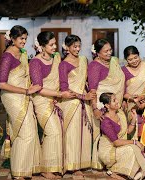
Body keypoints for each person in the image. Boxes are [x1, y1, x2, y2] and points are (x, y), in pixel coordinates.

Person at [0, 25, 41, 179]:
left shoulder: (22, 54)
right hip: (12, 97)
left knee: (28, 131)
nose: (24, 41)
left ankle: (26, 168)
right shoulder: (7, 56)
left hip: (24, 95)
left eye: (25, 38)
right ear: (13, 39)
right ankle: (18, 173)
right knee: (26, 132)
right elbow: (1, 83)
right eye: (21, 38)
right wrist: (26, 91)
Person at [30, 31, 74, 179]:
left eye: (55, 43)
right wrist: (60, 94)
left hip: (54, 100)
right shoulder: (35, 62)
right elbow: (38, 88)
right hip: (41, 101)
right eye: (51, 45)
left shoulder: (56, 58)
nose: (55, 47)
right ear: (42, 46)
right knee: (53, 132)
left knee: (58, 132)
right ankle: (45, 169)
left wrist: (59, 94)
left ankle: (54, 166)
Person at [59, 35, 96, 175]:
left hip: (85, 103)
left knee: (85, 133)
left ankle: (82, 163)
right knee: (72, 134)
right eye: (74, 46)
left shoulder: (83, 60)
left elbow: (87, 81)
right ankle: (72, 165)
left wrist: (89, 96)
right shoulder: (63, 64)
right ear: (67, 48)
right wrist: (82, 96)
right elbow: (64, 88)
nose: (77, 49)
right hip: (71, 102)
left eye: (79, 46)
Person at [88, 39, 125, 170]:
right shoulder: (94, 66)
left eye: (110, 50)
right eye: (106, 51)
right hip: (101, 104)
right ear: (98, 53)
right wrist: (95, 109)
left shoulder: (114, 62)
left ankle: (118, 161)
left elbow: (120, 84)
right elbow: (92, 90)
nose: (110, 53)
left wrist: (123, 99)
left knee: (117, 131)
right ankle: (100, 163)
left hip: (115, 104)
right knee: (101, 135)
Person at [98, 93, 145, 180]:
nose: (117, 101)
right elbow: (116, 142)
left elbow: (127, 131)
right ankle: (116, 171)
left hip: (119, 146)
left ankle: (136, 172)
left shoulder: (120, 113)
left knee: (134, 148)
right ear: (107, 105)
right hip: (109, 150)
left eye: (116, 99)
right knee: (131, 149)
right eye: (114, 100)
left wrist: (134, 120)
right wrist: (134, 142)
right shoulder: (106, 121)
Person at [122, 45, 145, 139]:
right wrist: (132, 98)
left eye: (135, 57)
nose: (134, 61)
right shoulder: (123, 71)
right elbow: (121, 91)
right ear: (126, 60)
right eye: (130, 59)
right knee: (134, 128)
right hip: (131, 105)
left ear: (139, 55)